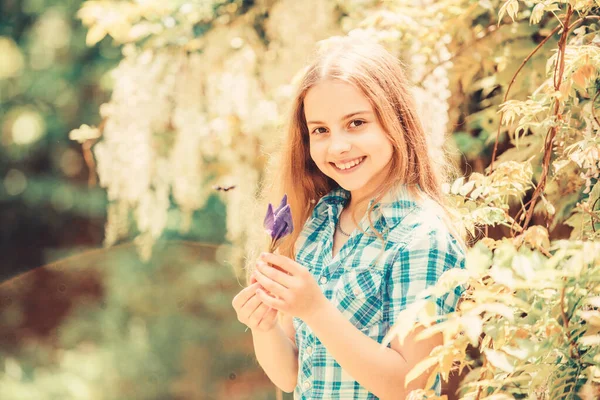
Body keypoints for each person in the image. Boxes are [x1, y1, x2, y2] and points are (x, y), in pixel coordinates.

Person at [231, 36, 466, 400]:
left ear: (395, 121)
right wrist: (262, 327)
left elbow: (413, 389)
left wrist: (316, 309)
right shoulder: (318, 222)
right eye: (321, 130)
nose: (338, 146)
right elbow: (291, 375)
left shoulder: (422, 236)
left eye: (356, 123)